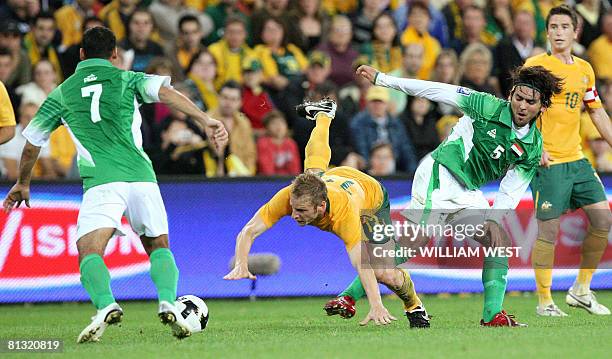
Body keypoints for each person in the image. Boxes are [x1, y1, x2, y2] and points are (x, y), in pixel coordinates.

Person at [2, 26, 228, 342]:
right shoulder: (127, 79)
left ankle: (106, 304)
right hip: (142, 178)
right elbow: (166, 93)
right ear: (115, 55)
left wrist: (23, 182)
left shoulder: (62, 93)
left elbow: (31, 144)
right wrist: (205, 120)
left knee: (89, 250)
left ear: (81, 54)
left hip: (101, 183)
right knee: (158, 246)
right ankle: (167, 300)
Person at [325, 63, 563, 327]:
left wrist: (495, 217)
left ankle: (492, 315)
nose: (521, 106)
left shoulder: (533, 145)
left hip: (468, 189)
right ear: (510, 96)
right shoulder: (486, 105)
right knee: (413, 244)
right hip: (441, 173)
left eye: (530, 102)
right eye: (518, 98)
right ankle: (348, 296)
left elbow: (512, 188)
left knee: (497, 238)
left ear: (542, 106)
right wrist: (384, 80)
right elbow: (436, 90)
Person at [224, 98, 431, 328]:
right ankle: (324, 115)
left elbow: (363, 264)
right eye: (293, 208)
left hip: (371, 199)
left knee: (384, 272)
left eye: (301, 211)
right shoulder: (291, 195)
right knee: (313, 168)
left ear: (321, 207)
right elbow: (248, 231)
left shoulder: (345, 216)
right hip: (333, 179)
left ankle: (414, 306)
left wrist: (376, 304)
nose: (293, 215)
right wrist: (241, 263)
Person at [524, 5, 612, 317]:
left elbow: (596, 110)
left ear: (575, 32)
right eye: (554, 27)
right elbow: (517, 113)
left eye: (565, 27)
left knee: (603, 220)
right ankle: (545, 302)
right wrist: (534, 149)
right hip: (547, 163)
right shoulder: (535, 67)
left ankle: (581, 290)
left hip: (577, 159)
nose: (559, 32)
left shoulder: (585, 70)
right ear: (546, 32)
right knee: (548, 231)